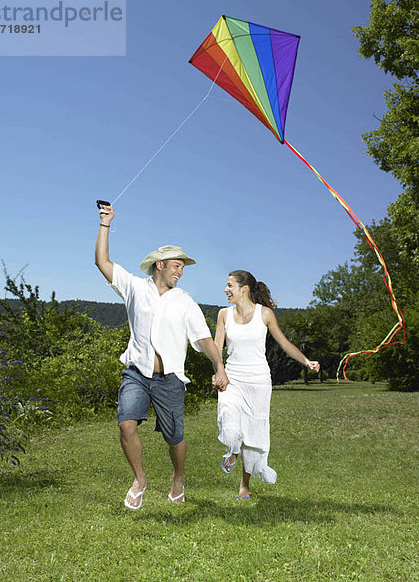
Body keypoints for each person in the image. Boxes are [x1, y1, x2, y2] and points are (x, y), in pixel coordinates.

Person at [95, 204, 228, 510]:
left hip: (169, 379)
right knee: (126, 424)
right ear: (159, 265)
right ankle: (140, 479)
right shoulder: (134, 289)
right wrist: (106, 224)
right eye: (176, 266)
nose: (180, 272)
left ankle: (178, 479)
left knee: (174, 438)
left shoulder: (185, 301)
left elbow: (205, 340)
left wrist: (218, 366)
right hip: (137, 373)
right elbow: (102, 261)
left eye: (182, 267)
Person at [213, 270, 320, 499]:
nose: (225, 290)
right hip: (232, 379)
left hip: (259, 381)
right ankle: (232, 450)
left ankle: (244, 485)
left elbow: (284, 343)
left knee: (253, 433)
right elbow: (216, 348)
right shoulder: (223, 315)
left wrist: (306, 361)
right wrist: (218, 371)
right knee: (231, 427)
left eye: (230, 285)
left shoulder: (265, 314)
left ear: (244, 289)